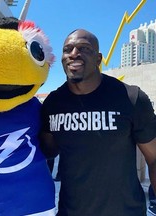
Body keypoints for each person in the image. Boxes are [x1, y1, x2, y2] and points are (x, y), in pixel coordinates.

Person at [40, 29, 156, 216]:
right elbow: (47, 151)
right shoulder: (53, 103)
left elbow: (154, 158)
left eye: (84, 48)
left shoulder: (131, 98)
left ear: (98, 59)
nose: (74, 54)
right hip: (70, 212)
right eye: (67, 49)